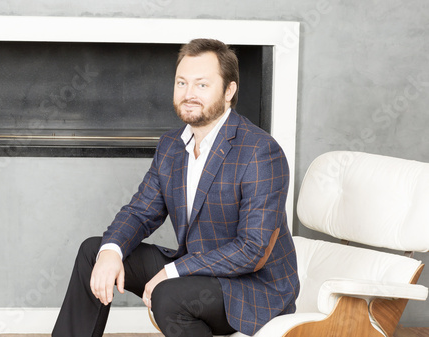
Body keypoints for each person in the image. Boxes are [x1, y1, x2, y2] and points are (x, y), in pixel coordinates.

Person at [52, 38, 299, 337]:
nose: (189, 94)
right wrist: (111, 251)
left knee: (168, 296)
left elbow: (253, 250)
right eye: (182, 83)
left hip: (252, 287)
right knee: (96, 251)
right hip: (196, 266)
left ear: (229, 91)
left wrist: (172, 271)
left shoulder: (259, 151)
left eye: (202, 85)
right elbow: (141, 212)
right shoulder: (171, 146)